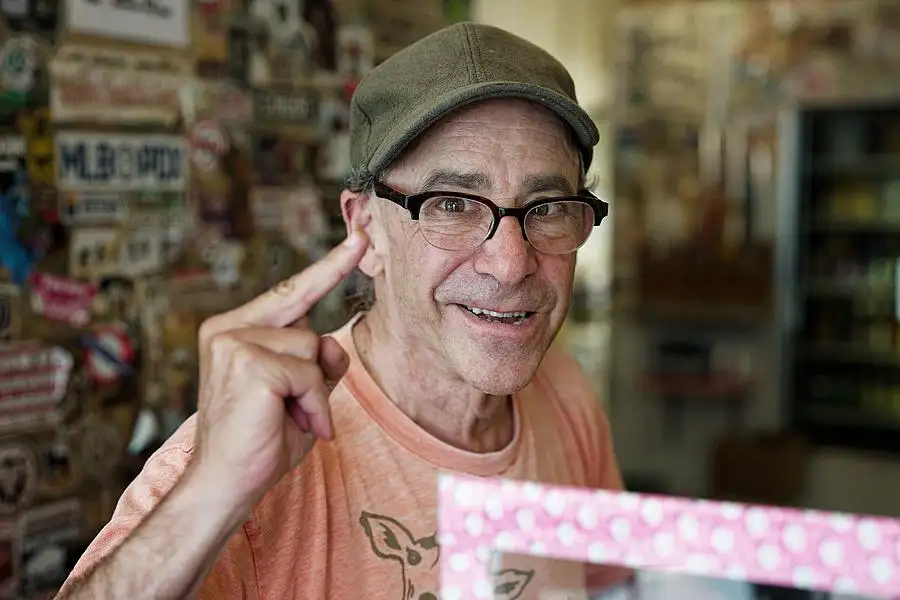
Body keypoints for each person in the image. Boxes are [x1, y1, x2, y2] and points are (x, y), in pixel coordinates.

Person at [55, 22, 628, 600]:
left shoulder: (567, 394)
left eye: (548, 207)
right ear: (365, 229)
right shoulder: (239, 460)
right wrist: (213, 494)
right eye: (452, 204)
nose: (510, 264)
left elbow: (615, 588)